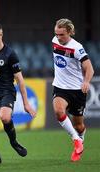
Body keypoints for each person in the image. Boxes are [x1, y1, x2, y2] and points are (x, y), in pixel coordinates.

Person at [0, 21, 36, 165]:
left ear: (0, 35)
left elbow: (20, 80)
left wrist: (26, 103)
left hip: (6, 92)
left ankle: (14, 142)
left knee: (5, 118)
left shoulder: (11, 54)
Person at [52, 18, 94, 162]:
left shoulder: (77, 48)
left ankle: (80, 140)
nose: (58, 37)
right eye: (56, 34)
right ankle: (76, 140)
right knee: (58, 111)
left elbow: (89, 68)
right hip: (60, 87)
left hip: (77, 90)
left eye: (62, 34)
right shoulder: (54, 41)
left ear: (70, 32)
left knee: (79, 125)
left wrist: (86, 82)